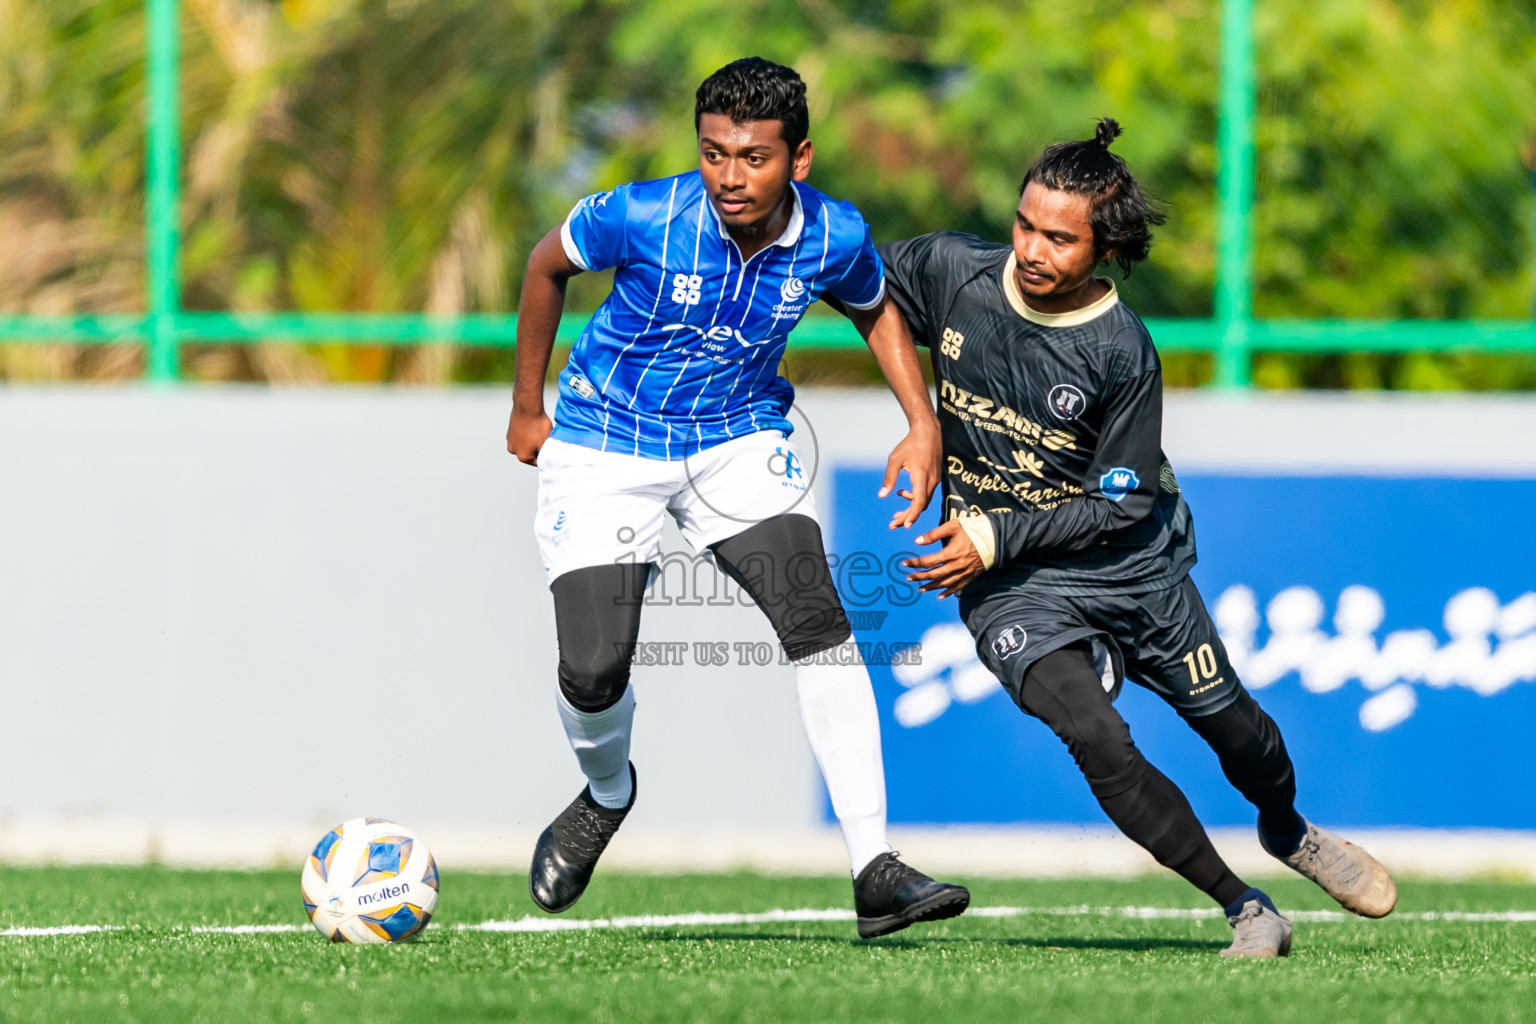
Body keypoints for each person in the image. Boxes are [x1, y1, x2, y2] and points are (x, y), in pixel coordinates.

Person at [874, 119, 1397, 956]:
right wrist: (919, 419)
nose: (1032, 251)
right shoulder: (951, 270)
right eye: (1024, 225)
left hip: (1133, 573)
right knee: (1095, 736)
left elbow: (1119, 507)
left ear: (1104, 246)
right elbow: (852, 281)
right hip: (1015, 588)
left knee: (1242, 738)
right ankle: (1244, 906)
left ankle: (1287, 828)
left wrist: (993, 535)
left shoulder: (1123, 352)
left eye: (1059, 238)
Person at [505, 56, 969, 938]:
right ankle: (607, 795)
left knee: (818, 620)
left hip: (739, 440)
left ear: (799, 160)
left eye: (752, 157)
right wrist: (529, 408)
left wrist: (923, 421)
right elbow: (542, 266)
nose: (729, 176)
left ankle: (875, 867)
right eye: (715, 153)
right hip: (606, 443)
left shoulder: (834, 233)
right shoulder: (641, 213)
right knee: (595, 668)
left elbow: (874, 307)